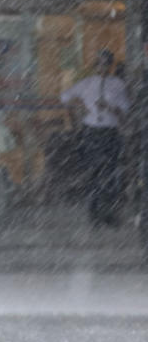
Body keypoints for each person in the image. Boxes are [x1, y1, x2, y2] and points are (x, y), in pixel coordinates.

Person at [60, 49, 131, 227]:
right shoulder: (87, 82)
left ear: (110, 65)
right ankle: (94, 214)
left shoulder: (117, 84)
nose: (102, 67)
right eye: (99, 63)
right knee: (93, 173)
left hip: (109, 131)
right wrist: (81, 104)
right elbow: (65, 96)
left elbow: (125, 111)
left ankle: (108, 213)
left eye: (105, 63)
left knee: (109, 173)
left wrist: (110, 108)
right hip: (91, 131)